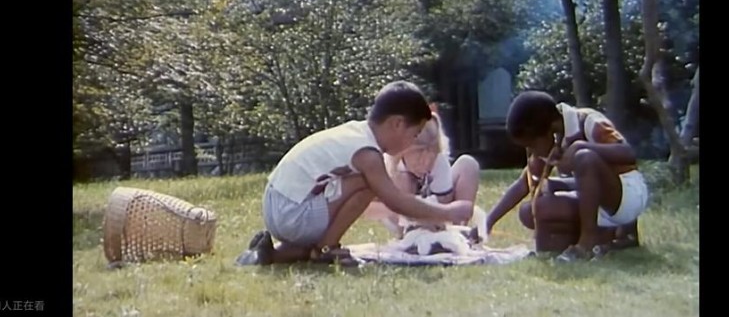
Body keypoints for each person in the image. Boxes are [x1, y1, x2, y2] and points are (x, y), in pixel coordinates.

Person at [243, 81, 474, 266]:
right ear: (397, 124)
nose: (411, 142)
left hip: (277, 205)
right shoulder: (367, 154)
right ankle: (326, 248)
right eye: (414, 135)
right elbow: (396, 201)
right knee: (368, 184)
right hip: (290, 214)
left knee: (362, 185)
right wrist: (447, 212)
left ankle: (271, 254)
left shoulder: (356, 133)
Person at [483, 91, 648, 262]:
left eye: (532, 145)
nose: (532, 151)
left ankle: (587, 242)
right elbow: (524, 183)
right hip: (595, 206)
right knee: (531, 211)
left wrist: (580, 146)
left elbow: (628, 153)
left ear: (551, 129)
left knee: (585, 158)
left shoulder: (588, 121)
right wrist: (488, 222)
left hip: (626, 196)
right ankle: (609, 236)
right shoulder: (551, 140)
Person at [362, 108, 481, 238]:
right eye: (419, 156)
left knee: (468, 164)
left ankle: (459, 233)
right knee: (404, 179)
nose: (425, 163)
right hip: (401, 214)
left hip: (435, 208)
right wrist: (405, 209)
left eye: (431, 156)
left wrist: (439, 214)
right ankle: (409, 234)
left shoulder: (439, 161)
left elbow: (443, 202)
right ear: (403, 151)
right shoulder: (387, 165)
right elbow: (366, 208)